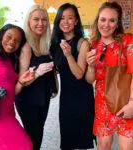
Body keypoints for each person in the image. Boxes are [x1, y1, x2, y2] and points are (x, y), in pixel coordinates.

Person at [86, 1, 133, 150]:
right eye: (103, 19)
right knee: (103, 146)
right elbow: (89, 79)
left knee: (126, 147)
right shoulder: (92, 45)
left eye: (112, 20)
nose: (106, 25)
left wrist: (132, 103)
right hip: (102, 103)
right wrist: (91, 67)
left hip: (126, 100)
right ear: (97, 20)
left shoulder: (127, 41)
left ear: (117, 23)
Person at [50, 3, 95, 150]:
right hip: (66, 98)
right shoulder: (55, 44)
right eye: (62, 18)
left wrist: (69, 55)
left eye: (70, 18)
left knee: (82, 141)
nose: (66, 22)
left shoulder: (82, 43)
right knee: (67, 139)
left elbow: (79, 74)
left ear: (76, 21)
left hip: (82, 97)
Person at [0, 24, 34, 150]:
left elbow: (12, 92)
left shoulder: (10, 61)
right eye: (9, 37)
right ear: (1, 36)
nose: (12, 42)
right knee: (26, 146)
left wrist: (21, 82)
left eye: (17, 41)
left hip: (9, 113)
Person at [15, 4, 57, 150]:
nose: (41, 23)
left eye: (44, 20)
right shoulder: (26, 46)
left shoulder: (46, 43)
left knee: (38, 133)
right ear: (29, 22)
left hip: (43, 97)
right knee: (33, 135)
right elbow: (22, 80)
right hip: (28, 99)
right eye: (36, 19)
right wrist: (37, 72)